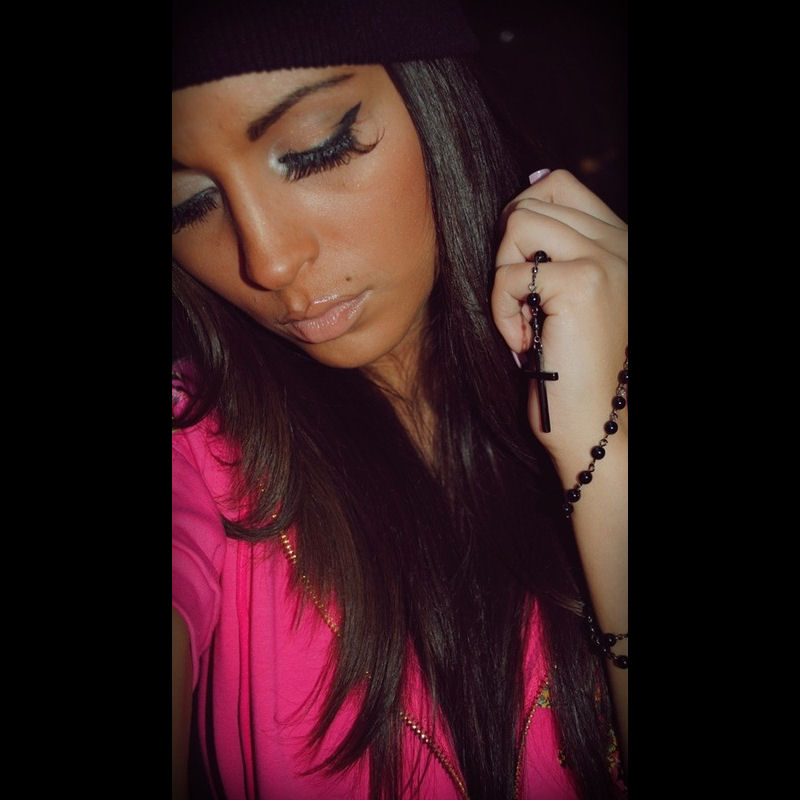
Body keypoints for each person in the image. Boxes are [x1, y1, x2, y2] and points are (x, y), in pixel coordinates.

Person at [171, 1, 628, 798]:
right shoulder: (193, 447)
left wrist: (605, 444)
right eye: (185, 204)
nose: (268, 261)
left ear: (434, 102)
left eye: (316, 149)